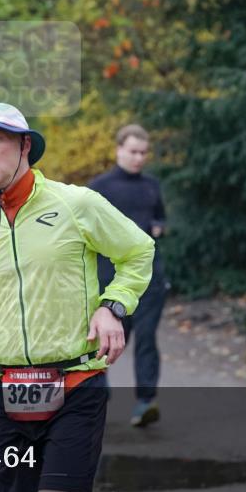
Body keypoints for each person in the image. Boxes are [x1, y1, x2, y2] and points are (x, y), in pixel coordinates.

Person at [0, 103, 157, 492]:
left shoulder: (75, 204)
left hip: (75, 381)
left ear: (24, 146)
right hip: (8, 388)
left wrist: (112, 306)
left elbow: (138, 252)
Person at [89, 124, 167, 428]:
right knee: (106, 340)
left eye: (143, 153)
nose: (138, 158)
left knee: (146, 339)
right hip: (110, 279)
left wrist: (159, 226)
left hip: (151, 279)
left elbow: (160, 215)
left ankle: (146, 401)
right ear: (119, 149)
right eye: (133, 151)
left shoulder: (151, 185)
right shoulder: (99, 188)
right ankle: (97, 396)